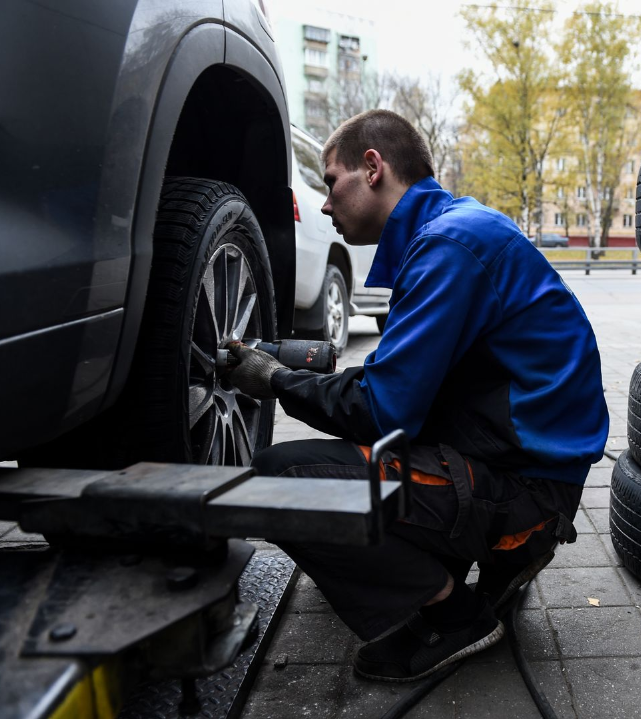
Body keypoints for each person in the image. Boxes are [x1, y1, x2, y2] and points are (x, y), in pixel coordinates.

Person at [228, 109, 609, 682]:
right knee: (353, 474)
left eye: (331, 181)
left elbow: (382, 410)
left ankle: (458, 615)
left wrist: (276, 380)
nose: (326, 203)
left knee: (277, 479)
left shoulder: (449, 247)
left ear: (373, 167)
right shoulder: (450, 232)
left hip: (527, 486)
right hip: (515, 456)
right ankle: (468, 557)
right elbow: (400, 385)